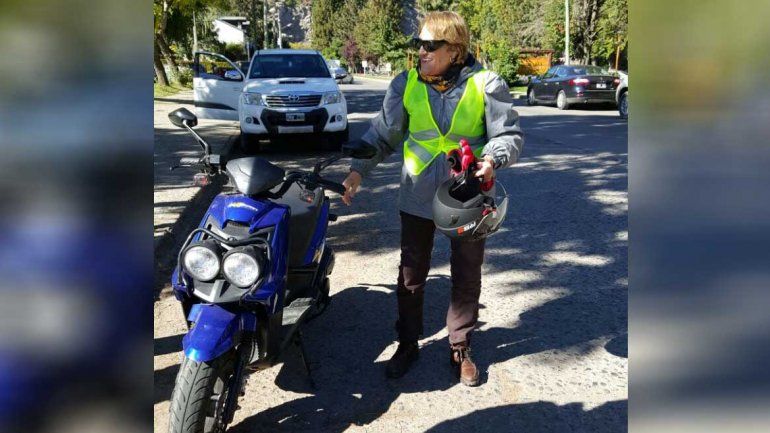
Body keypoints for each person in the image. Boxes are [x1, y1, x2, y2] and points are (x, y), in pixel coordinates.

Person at [342, 11, 524, 386]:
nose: (420, 52)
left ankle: (460, 345)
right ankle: (408, 343)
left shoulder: (486, 83)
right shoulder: (404, 84)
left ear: (455, 50)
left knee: (466, 273)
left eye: (429, 45)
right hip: (418, 194)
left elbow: (509, 134)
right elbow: (382, 135)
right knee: (411, 275)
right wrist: (358, 171)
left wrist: (492, 159)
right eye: (418, 44)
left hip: (467, 195)